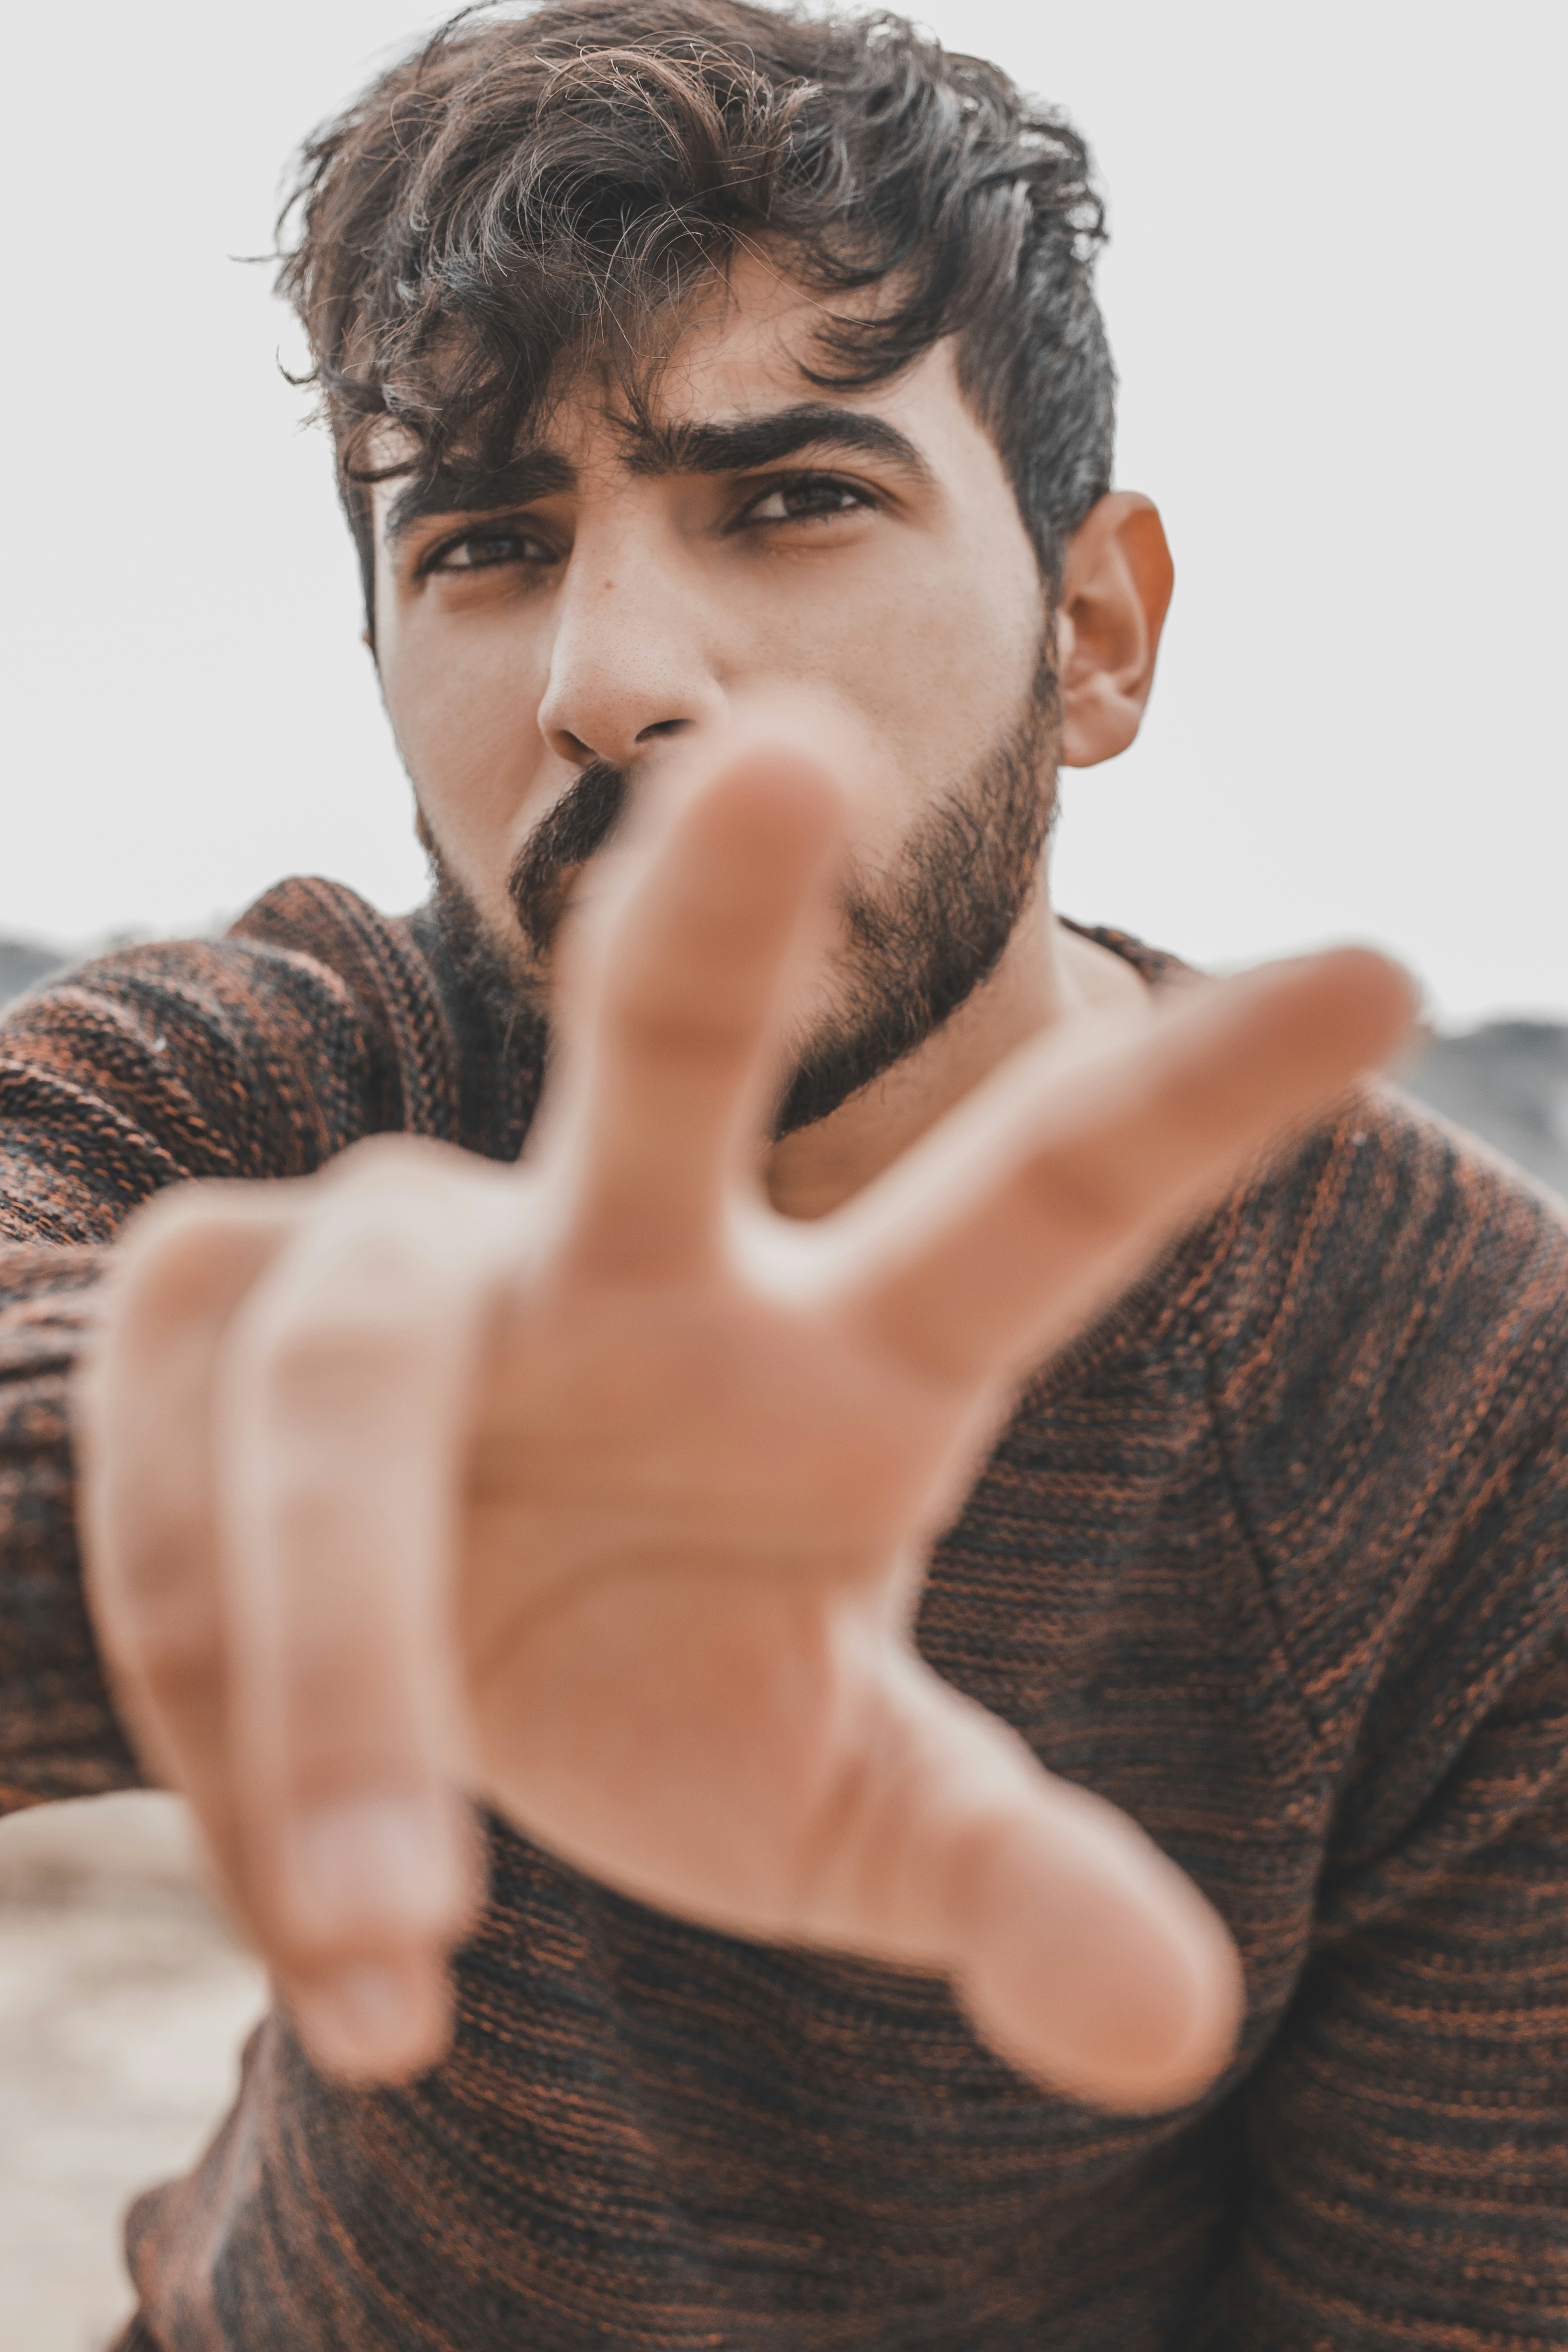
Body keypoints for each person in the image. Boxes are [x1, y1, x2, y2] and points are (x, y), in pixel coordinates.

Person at [1, 0, 1563, 2343]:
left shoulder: (1462, 1414)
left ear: (1099, 633)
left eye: (796, 497)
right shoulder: (329, 1074)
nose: (609, 672)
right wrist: (198, 1464)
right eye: (488, 544)